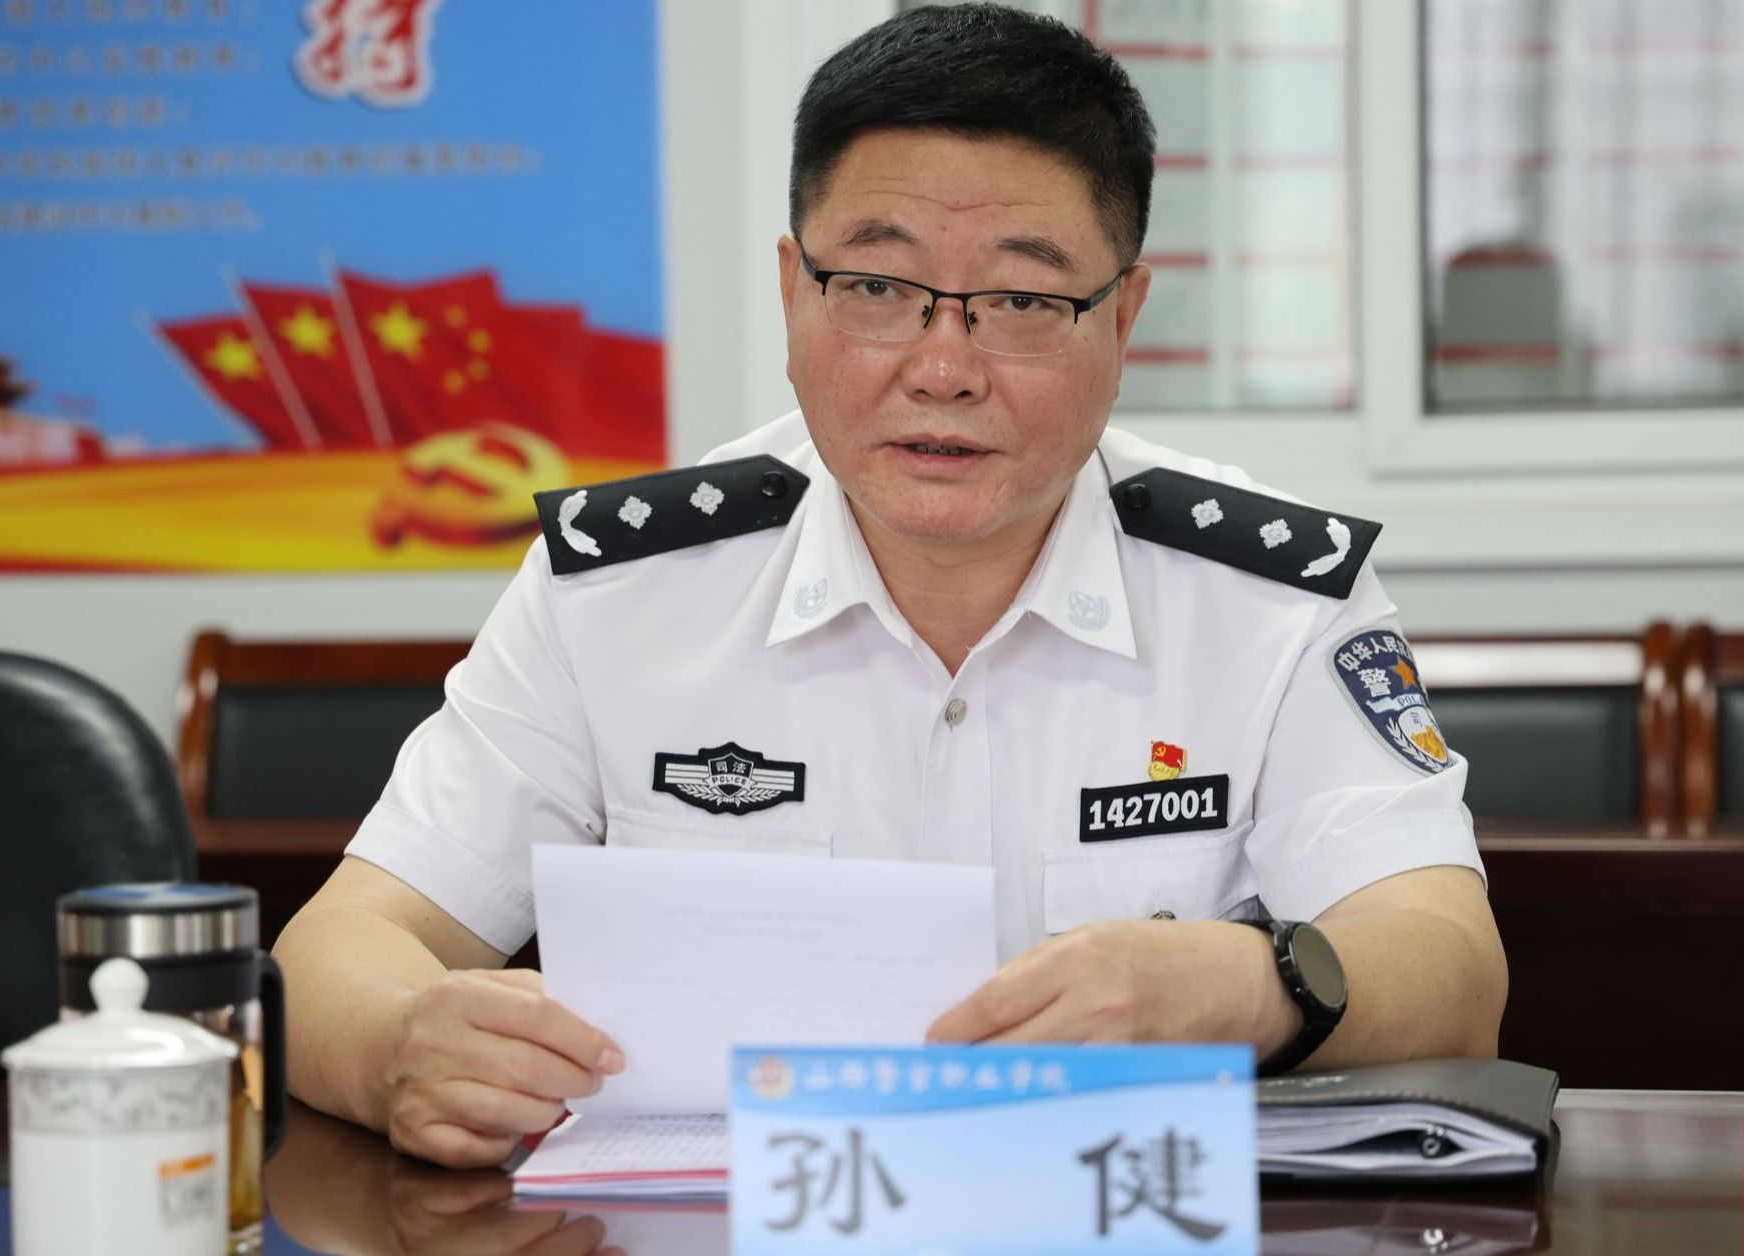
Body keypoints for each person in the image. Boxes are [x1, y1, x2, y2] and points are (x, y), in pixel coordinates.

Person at [274, 3, 1507, 1170]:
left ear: (1124, 318)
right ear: (791, 291)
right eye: (875, 288)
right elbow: (344, 940)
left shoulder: (1274, 598)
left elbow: (1450, 966)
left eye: (1022, 298)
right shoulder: (618, 591)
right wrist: (397, 1046)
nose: (942, 366)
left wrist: (1251, 987)